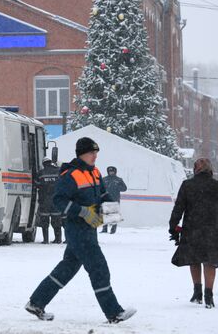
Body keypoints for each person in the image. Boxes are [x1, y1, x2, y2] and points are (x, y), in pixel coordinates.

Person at [25, 137, 136, 323]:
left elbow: (102, 193)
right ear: (82, 154)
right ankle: (113, 312)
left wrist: (110, 209)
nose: (95, 156)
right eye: (92, 153)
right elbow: (58, 200)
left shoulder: (95, 172)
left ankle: (36, 302)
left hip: (89, 227)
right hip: (77, 229)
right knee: (98, 268)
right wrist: (82, 211)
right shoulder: (70, 174)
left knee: (67, 269)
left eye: (96, 152)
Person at [169, 158, 218, 309]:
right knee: (210, 261)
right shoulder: (217, 186)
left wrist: (173, 225)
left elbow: (179, 207)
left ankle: (197, 293)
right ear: (210, 169)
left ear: (196, 169)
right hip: (213, 229)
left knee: (194, 259)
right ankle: (208, 295)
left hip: (192, 227)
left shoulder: (187, 185)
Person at [36, 157, 62, 244]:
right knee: (57, 220)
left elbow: (37, 184)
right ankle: (58, 239)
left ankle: (46, 240)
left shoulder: (41, 173)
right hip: (56, 200)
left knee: (44, 220)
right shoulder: (58, 171)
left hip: (45, 200)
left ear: (44, 164)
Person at [100, 166, 127, 234]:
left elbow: (124, 188)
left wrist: (117, 187)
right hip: (106, 199)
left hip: (115, 200)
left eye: (112, 171)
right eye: (110, 171)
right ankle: (104, 229)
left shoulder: (119, 180)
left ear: (115, 172)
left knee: (114, 215)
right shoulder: (104, 179)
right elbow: (100, 188)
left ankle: (113, 230)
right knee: (105, 214)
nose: (111, 172)